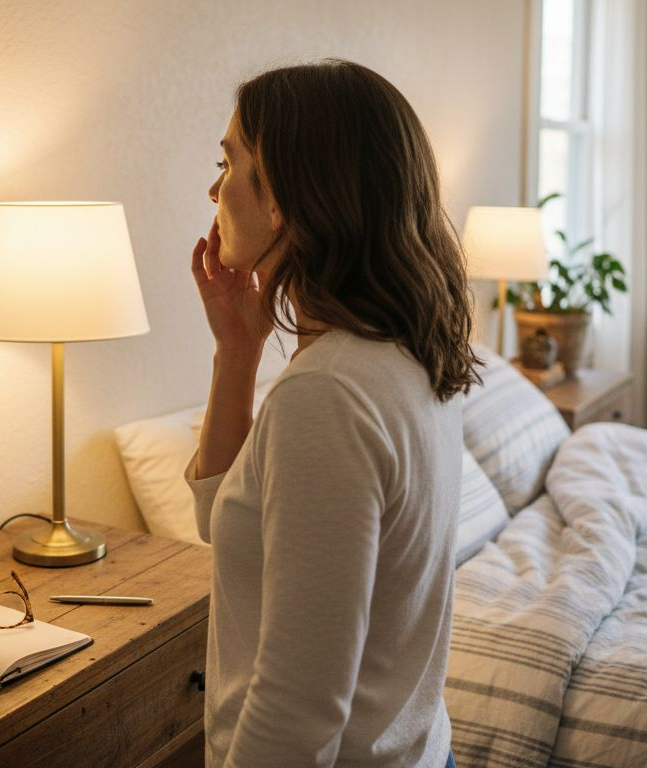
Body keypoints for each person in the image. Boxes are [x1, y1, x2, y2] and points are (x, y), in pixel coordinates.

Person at [185, 60, 479, 767]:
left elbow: (297, 713)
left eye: (229, 164)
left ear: (284, 199)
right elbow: (223, 520)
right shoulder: (404, 350)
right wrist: (237, 352)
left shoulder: (327, 395)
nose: (215, 190)